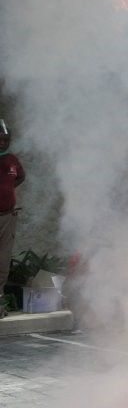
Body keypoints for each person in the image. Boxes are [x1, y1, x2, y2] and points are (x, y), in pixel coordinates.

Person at [0, 120, 25, 319]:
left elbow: (20, 177)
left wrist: (7, 192)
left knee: (3, 262)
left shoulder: (12, 160)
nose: (2, 143)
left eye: (6, 139)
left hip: (8, 217)